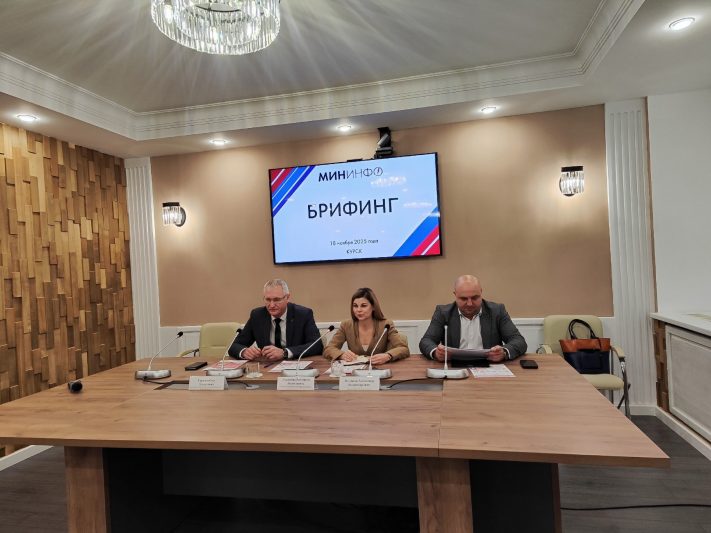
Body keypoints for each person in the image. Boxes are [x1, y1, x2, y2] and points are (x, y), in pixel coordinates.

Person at [419, 275, 527, 362]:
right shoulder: (443, 313)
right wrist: (435, 352)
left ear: (481, 293)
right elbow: (426, 341)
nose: (470, 303)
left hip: (490, 367)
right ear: (455, 295)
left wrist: (504, 352)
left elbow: (519, 341)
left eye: (475, 298)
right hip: (454, 367)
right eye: (463, 299)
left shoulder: (497, 311)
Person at [229, 279, 322, 360]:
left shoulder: (303, 314)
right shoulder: (257, 315)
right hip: (267, 367)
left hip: (295, 367)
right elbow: (234, 346)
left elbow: (317, 345)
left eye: (277, 300)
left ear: (287, 298)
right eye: (268, 300)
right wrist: (244, 352)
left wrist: (285, 353)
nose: (272, 305)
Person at [323, 287, 410, 364]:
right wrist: (341, 355)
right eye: (355, 306)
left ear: (373, 307)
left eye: (363, 306)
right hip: (354, 372)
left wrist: (388, 356)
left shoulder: (386, 324)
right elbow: (328, 349)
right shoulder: (346, 325)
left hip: (379, 370)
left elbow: (403, 348)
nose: (358, 310)